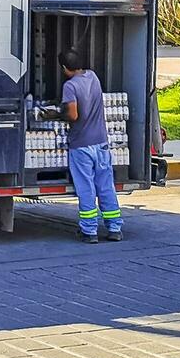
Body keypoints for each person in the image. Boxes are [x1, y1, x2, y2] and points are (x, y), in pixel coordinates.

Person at [58, 49, 122, 243]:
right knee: (105, 186)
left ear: (64, 68)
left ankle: (89, 231)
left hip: (81, 145)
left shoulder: (70, 86)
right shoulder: (92, 76)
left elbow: (73, 115)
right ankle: (115, 228)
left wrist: (59, 113)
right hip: (101, 142)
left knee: (86, 187)